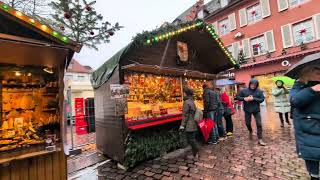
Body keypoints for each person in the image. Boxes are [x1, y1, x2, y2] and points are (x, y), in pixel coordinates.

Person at [290, 65, 320, 180]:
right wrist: (312, 90)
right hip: (308, 128)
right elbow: (295, 100)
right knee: (312, 158)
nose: (319, 73)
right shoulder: (299, 86)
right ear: (307, 73)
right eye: (316, 71)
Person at [236, 79, 266, 146]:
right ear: (249, 84)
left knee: (259, 124)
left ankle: (260, 139)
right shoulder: (244, 90)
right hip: (247, 110)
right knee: (248, 123)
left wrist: (254, 98)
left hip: (256, 110)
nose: (253, 86)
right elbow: (237, 97)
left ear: (257, 85)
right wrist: (244, 98)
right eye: (252, 84)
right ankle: (250, 130)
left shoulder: (259, 91)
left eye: (254, 85)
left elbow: (262, 99)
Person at [179, 87, 199, 159]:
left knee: (191, 139)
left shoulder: (186, 102)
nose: (183, 93)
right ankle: (195, 153)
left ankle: (196, 152)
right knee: (192, 138)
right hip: (193, 123)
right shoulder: (192, 101)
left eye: (184, 92)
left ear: (186, 93)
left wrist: (182, 125)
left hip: (189, 124)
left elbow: (185, 115)